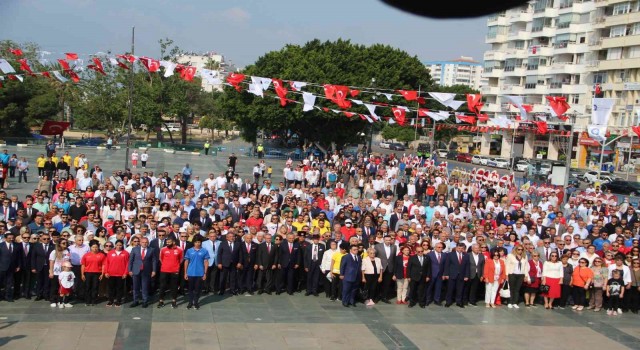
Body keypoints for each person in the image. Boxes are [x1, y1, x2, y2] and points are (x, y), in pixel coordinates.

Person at [128, 237, 157, 308]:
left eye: (146, 242)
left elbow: (154, 261)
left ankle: (145, 301)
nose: (145, 244)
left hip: (146, 271)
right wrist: (130, 270)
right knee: (135, 287)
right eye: (143, 242)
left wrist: (154, 270)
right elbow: (130, 261)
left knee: (145, 287)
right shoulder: (135, 249)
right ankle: (135, 301)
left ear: (148, 243)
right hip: (136, 270)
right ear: (140, 243)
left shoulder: (151, 250)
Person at [183, 235, 210, 310]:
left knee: (197, 289)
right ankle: (190, 302)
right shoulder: (189, 251)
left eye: (199, 242)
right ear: (193, 243)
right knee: (190, 289)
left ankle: (196, 302)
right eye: (196, 242)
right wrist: (185, 272)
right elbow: (186, 261)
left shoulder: (204, 251)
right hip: (190, 273)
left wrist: (205, 273)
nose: (197, 244)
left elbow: (206, 262)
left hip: (200, 273)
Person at [158, 237, 183, 308]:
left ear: (174, 242)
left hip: (175, 271)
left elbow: (181, 259)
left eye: (169, 242)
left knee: (174, 286)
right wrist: (166, 265)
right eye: (167, 242)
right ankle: (161, 301)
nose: (167, 243)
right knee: (162, 286)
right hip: (164, 270)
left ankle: (174, 301)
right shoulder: (163, 249)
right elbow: (161, 258)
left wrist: (176, 266)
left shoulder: (180, 249)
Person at [104, 239, 129, 307]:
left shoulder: (125, 253)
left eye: (120, 245)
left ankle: (118, 301)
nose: (119, 246)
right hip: (111, 274)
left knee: (119, 288)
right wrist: (106, 272)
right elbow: (107, 263)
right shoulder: (110, 253)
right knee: (111, 288)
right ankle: (110, 300)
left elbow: (127, 264)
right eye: (117, 245)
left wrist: (125, 273)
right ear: (115, 245)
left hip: (121, 274)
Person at [444, 243, 469, 308]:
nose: (460, 249)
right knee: (450, 289)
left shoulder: (466, 255)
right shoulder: (450, 255)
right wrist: (446, 274)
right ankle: (448, 302)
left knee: (460, 290)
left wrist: (466, 275)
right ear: (456, 248)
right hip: (452, 275)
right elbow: (447, 265)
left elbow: (467, 266)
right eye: (459, 248)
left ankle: (459, 302)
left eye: (462, 248)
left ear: (464, 249)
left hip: (461, 275)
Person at [80, 241, 105, 306]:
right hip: (88, 273)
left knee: (95, 287)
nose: (95, 248)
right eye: (93, 247)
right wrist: (82, 274)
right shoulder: (86, 255)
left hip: (97, 273)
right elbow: (83, 265)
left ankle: (94, 300)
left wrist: (102, 274)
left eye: (96, 247)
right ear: (90, 247)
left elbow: (103, 265)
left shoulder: (101, 255)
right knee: (87, 287)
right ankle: (87, 301)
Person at [0, 232, 20, 302]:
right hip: (2, 267)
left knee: (9, 283)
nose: (11, 239)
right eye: (9, 238)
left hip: (12, 267)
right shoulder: (1, 245)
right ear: (5, 238)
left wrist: (18, 266)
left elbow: (18, 257)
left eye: (12, 238)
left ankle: (8, 296)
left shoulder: (16, 245)